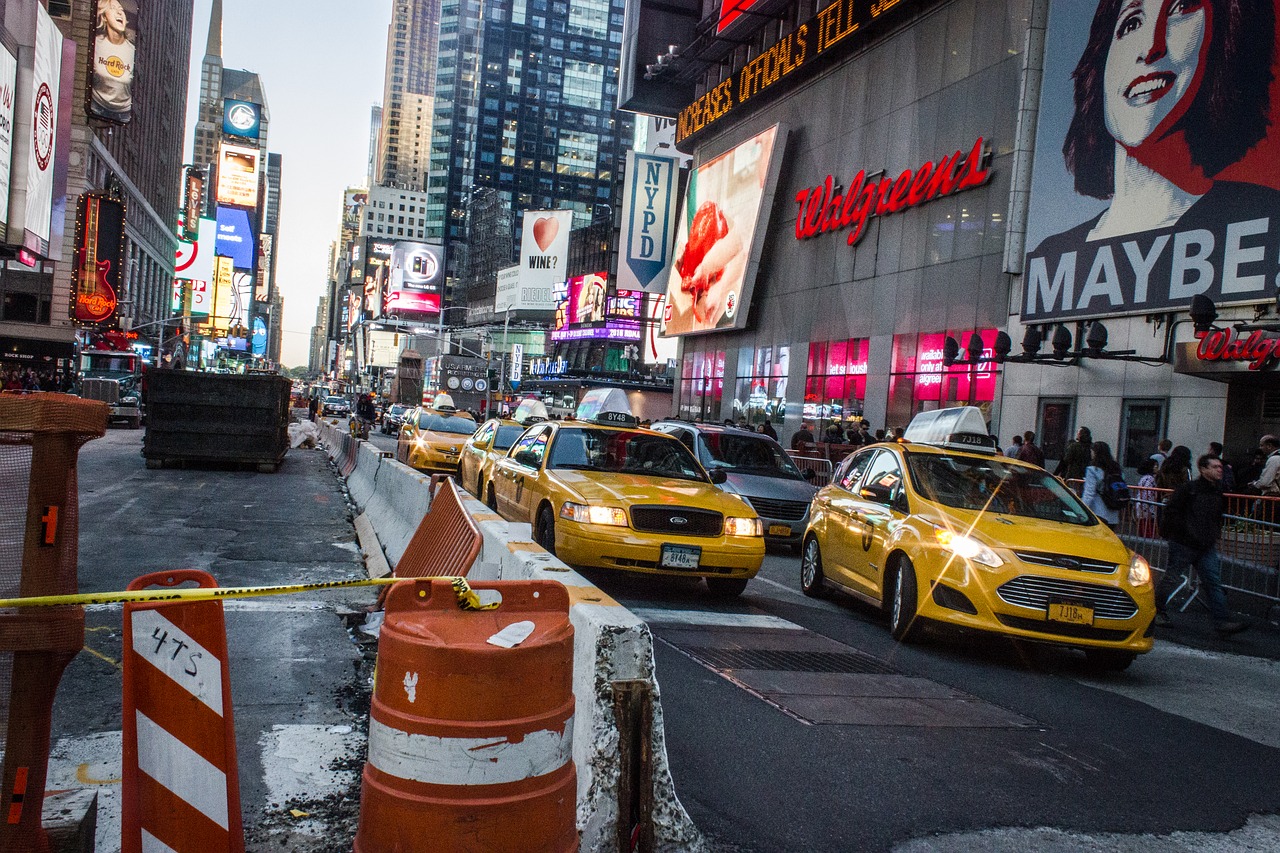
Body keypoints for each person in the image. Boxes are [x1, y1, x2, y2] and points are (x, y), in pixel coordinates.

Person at [1049, 0, 1278, 244]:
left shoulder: (1263, 219)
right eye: (1131, 23)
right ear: (1098, 70)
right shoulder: (1054, 252)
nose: (1150, 48)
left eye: (1181, 10)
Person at [1155, 454, 1248, 636]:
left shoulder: (1215, 491)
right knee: (1172, 578)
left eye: (1219, 466)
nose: (1219, 469)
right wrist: (1185, 532)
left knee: (1212, 581)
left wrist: (1211, 535)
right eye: (1214, 467)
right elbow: (1173, 512)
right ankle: (1157, 611)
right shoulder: (1190, 489)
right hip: (1184, 543)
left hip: (1203, 544)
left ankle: (1222, 621)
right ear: (1203, 469)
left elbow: (1215, 516)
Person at [90, 0, 135, 120]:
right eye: (113, 8)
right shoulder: (96, 44)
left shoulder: (133, 51)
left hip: (124, 114)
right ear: (104, 17)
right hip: (96, 107)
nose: (119, 13)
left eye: (121, 10)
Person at [1081, 441, 1123, 528]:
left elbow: (1089, 493)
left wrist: (1081, 511)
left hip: (1098, 513)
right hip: (1113, 515)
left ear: (1095, 453)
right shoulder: (1116, 469)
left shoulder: (1092, 470)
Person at [1134, 457, 1159, 538]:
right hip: (1148, 508)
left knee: (1142, 530)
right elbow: (1147, 493)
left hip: (1141, 506)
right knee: (1148, 531)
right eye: (1154, 465)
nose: (1156, 467)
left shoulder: (1144, 478)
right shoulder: (1151, 479)